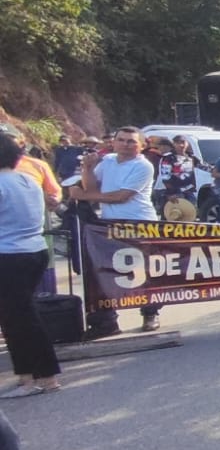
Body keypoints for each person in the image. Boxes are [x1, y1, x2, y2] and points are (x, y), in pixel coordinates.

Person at [67, 125, 162, 336]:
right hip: (109, 225)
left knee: (143, 271)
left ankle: (150, 313)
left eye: (131, 141)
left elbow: (121, 196)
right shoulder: (108, 161)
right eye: (121, 140)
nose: (126, 145)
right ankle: (107, 321)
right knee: (107, 271)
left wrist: (84, 196)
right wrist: (88, 169)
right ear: (114, 141)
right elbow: (92, 187)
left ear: (142, 145)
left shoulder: (143, 166)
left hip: (139, 224)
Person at [0, 134, 64, 397]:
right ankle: (34, 376)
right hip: (34, 250)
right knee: (18, 317)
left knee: (19, 319)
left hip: (9, 255)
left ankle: (38, 378)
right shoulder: (28, 179)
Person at [159, 134, 200, 221]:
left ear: (187, 144)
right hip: (174, 192)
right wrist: (171, 193)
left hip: (189, 191)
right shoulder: (168, 158)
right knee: (173, 217)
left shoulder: (191, 157)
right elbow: (165, 177)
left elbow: (203, 167)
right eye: (178, 143)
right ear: (173, 144)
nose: (181, 145)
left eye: (183, 142)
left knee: (190, 217)